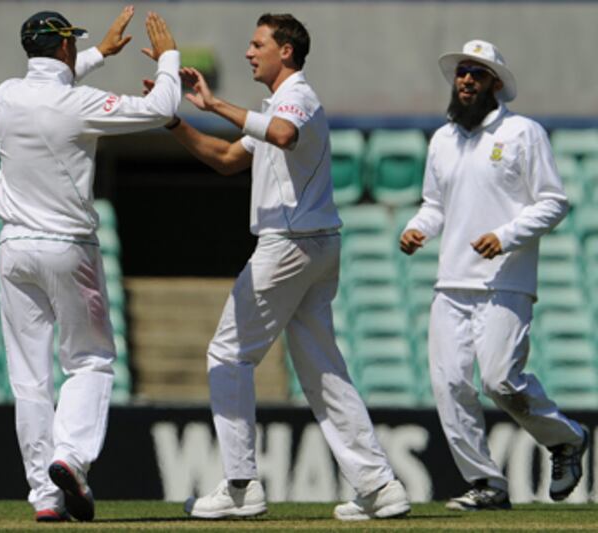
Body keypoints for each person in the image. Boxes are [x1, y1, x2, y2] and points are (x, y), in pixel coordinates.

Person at [158, 13, 410, 521]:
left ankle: (239, 484)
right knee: (322, 370)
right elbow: (228, 156)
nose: (249, 53)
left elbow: (282, 133)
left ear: (286, 52)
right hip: (315, 246)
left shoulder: (297, 96)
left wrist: (214, 104)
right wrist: (173, 119)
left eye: (257, 44)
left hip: (290, 246)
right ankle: (380, 486)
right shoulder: (278, 102)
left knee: (228, 354)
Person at [0, 6, 180, 523]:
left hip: (13, 248)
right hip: (68, 246)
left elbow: (51, 82)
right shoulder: (81, 105)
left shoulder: (5, 96)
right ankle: (70, 457)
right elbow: (163, 108)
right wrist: (168, 58)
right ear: (65, 47)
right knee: (91, 361)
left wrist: (99, 54)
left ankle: (45, 497)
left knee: (29, 378)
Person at [400, 39, 588, 511]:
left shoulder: (523, 133)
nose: (465, 80)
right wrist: (416, 229)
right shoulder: (443, 139)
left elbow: (553, 202)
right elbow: (434, 205)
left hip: (505, 280)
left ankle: (566, 439)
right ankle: (486, 484)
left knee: (500, 381)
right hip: (451, 283)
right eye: (462, 72)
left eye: (477, 74)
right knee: (449, 385)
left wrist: (504, 236)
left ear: (495, 85)